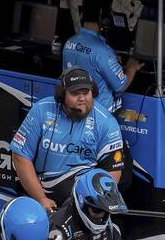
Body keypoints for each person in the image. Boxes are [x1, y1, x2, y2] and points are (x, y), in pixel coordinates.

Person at [11, 68, 124, 213]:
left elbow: (113, 170)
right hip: (39, 201)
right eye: (76, 93)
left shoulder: (106, 122)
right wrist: (40, 198)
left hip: (82, 205)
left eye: (86, 93)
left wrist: (94, 203)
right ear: (62, 95)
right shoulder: (41, 110)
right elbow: (20, 156)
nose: (82, 98)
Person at [63, 0, 142, 116]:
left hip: (74, 109)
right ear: (103, 18)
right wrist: (132, 68)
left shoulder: (69, 43)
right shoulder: (103, 51)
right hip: (99, 114)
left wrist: (111, 61)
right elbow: (120, 86)